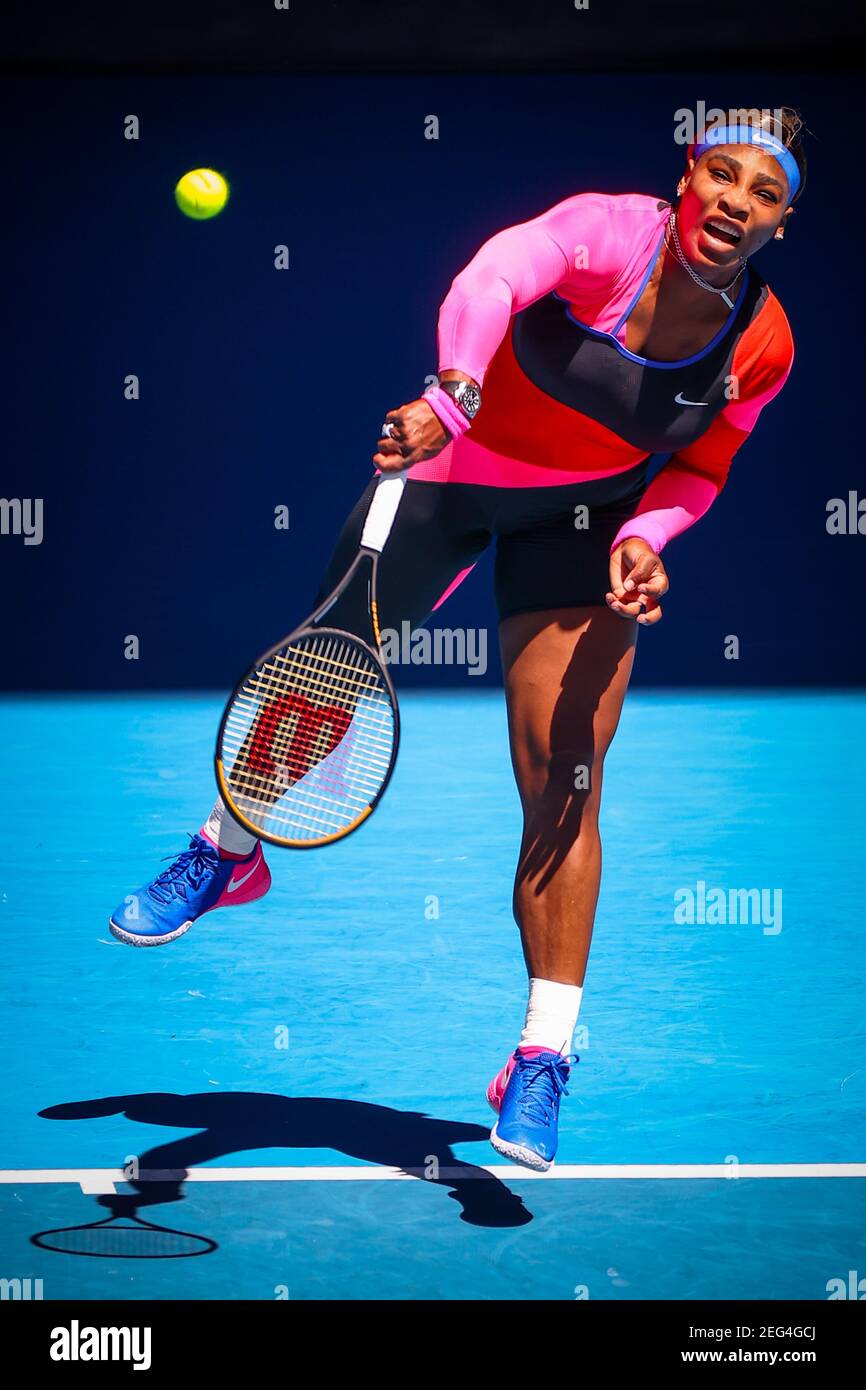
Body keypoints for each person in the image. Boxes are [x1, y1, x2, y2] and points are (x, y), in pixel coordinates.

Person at [111, 109, 804, 1171]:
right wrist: (454, 394)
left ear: (778, 223)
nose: (733, 202)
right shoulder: (605, 233)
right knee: (327, 667)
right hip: (449, 474)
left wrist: (644, 536)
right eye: (721, 174)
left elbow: (700, 467)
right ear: (686, 178)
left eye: (760, 193)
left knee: (565, 776)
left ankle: (540, 1057)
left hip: (586, 527)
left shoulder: (760, 344)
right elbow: (488, 280)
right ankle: (229, 849)